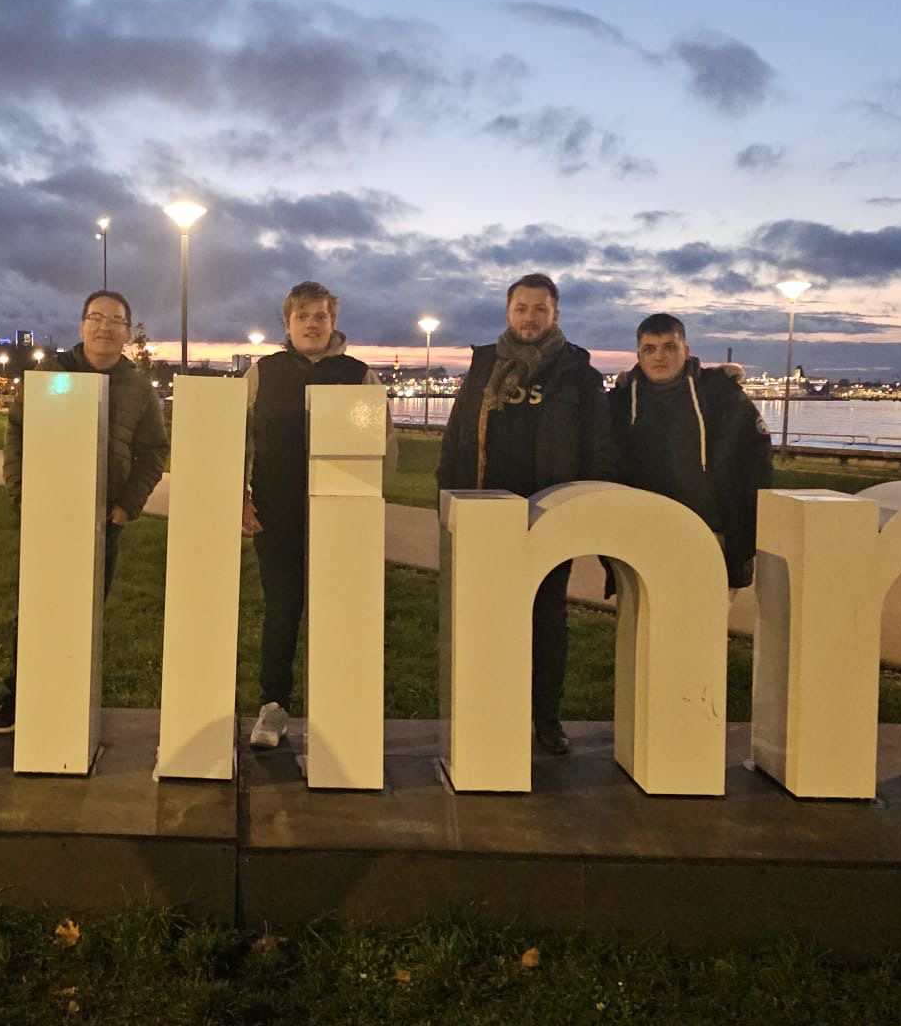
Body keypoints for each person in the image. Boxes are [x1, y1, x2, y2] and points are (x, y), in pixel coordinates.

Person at [435, 273, 616, 755]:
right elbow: (457, 434)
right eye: (521, 308)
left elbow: (597, 444)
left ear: (555, 314)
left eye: (540, 308)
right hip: (485, 512)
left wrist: (588, 504)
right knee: (488, 615)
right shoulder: (484, 366)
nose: (530, 317)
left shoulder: (577, 372)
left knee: (547, 619)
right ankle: (491, 709)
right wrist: (446, 493)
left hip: (551, 514)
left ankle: (545, 718)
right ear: (508, 312)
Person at [0, 289, 168, 734]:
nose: (105, 327)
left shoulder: (139, 387)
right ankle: (19, 698)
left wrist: (126, 508)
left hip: (104, 519)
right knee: (35, 608)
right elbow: (17, 434)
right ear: (82, 324)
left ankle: (68, 698)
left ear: (128, 332)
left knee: (86, 610)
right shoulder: (50, 374)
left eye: (115, 320)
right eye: (96, 317)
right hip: (48, 514)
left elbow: (155, 452)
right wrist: (23, 494)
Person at [241, 281, 395, 749]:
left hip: (342, 517)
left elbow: (385, 446)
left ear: (333, 322)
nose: (313, 323)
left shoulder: (359, 374)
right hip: (276, 512)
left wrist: (372, 501)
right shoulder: (262, 374)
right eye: (303, 316)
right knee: (282, 611)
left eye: (321, 316)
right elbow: (236, 438)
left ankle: (338, 706)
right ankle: (273, 705)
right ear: (287, 324)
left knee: (339, 613)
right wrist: (238, 495)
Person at [607, 312, 772, 589]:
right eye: (650, 349)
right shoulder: (618, 404)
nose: (659, 356)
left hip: (713, 538)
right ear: (639, 355)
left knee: (703, 627)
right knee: (640, 628)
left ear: (686, 350)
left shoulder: (723, 396)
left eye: (669, 347)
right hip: (639, 540)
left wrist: (743, 540)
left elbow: (757, 468)